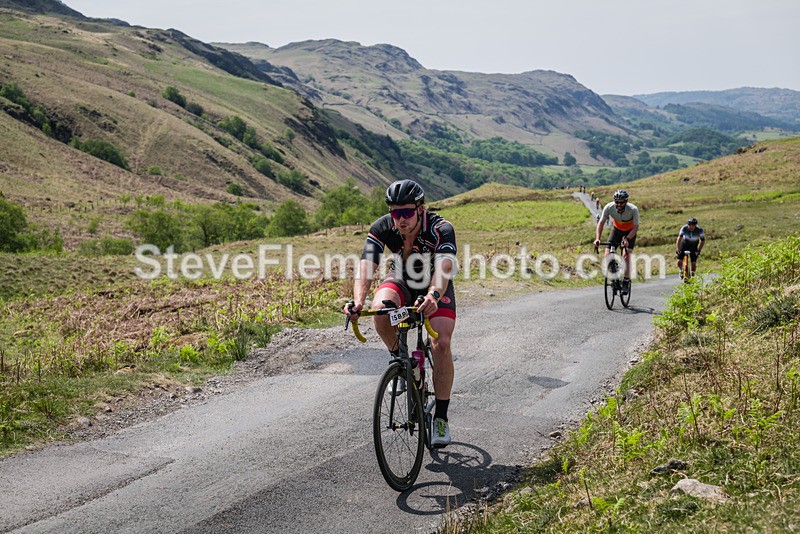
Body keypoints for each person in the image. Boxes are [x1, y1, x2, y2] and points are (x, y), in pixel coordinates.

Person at [343, 179, 458, 447]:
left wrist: (433, 296)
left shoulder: (440, 228)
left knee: (441, 342)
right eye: (396, 213)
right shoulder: (383, 227)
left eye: (406, 212)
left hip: (435, 284)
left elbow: (444, 269)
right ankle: (402, 362)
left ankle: (441, 418)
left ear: (420, 209)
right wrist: (358, 301)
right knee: (380, 312)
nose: (401, 219)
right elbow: (366, 265)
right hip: (402, 278)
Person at [594, 189, 639, 295]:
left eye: (621, 202)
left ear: (626, 202)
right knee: (607, 254)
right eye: (616, 202)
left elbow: (636, 227)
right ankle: (613, 275)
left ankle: (626, 281)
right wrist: (597, 238)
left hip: (630, 231)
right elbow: (601, 223)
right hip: (617, 229)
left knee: (627, 255)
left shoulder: (633, 209)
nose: (618, 204)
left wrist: (627, 239)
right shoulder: (609, 207)